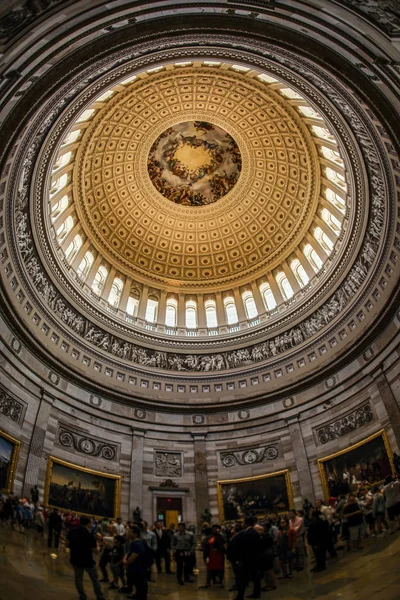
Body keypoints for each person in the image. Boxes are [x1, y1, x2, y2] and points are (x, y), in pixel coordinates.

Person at [67, 516, 105, 600]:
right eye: (91, 522)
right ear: (88, 523)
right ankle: (99, 596)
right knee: (95, 579)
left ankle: (82, 596)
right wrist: (98, 544)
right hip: (87, 560)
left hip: (75, 558)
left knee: (78, 579)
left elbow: (68, 543)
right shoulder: (90, 535)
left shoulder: (72, 531)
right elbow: (96, 551)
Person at [231, 515, 261, 600]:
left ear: (247, 524)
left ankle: (240, 596)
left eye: (243, 522)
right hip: (254, 558)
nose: (242, 524)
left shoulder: (248, 533)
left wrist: (240, 559)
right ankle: (256, 593)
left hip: (247, 560)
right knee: (255, 577)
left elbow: (245, 548)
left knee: (242, 579)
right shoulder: (253, 532)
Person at [123, 525, 148, 600]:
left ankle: (141, 596)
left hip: (138, 567)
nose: (128, 533)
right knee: (136, 583)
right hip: (134, 567)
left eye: (130, 532)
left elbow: (134, 555)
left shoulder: (138, 543)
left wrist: (126, 562)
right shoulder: (133, 543)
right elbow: (129, 553)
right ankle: (137, 594)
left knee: (140, 583)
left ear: (135, 534)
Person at [259, 522, 276, 592]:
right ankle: (267, 584)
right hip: (265, 555)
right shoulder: (264, 535)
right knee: (266, 571)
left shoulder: (267, 536)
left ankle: (272, 585)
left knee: (269, 570)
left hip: (267, 555)